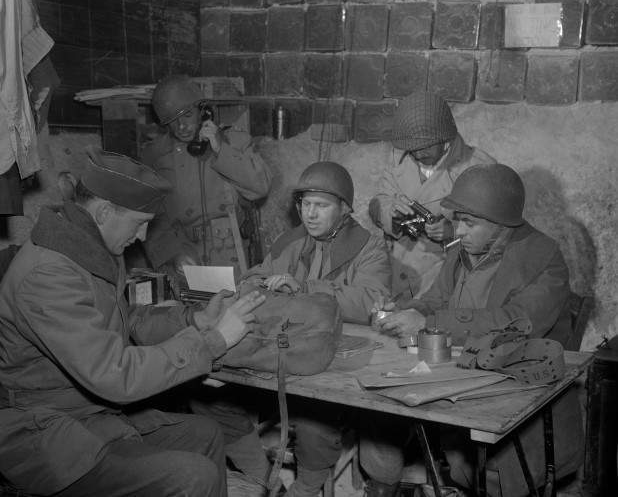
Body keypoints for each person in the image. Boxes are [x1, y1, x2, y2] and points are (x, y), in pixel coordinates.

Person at [0, 149, 266, 497]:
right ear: (103, 212)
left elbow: (128, 320)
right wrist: (213, 342)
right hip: (43, 435)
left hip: (89, 416)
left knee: (206, 433)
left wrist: (195, 318)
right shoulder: (50, 274)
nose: (144, 236)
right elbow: (114, 373)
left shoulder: (91, 248)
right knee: (194, 476)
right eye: (139, 222)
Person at [363, 163, 582, 497]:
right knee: (379, 416)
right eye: (457, 220)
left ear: (500, 224)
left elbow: (519, 321)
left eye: (469, 222)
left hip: (518, 382)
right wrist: (409, 310)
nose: (459, 230)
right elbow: (436, 299)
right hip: (461, 369)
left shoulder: (544, 258)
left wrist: (432, 322)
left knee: (492, 471)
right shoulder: (462, 250)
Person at [242, 161, 392, 496]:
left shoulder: (369, 245)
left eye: (321, 206)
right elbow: (251, 278)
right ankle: (259, 471)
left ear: (344, 209)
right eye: (305, 205)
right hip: (288, 349)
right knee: (219, 392)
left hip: (338, 358)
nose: (310, 214)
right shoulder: (290, 241)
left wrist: (307, 288)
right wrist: (265, 284)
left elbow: (371, 299)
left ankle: (309, 480)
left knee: (314, 415)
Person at [140, 74, 272, 287]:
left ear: (203, 111)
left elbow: (260, 187)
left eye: (187, 115)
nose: (181, 126)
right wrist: (171, 253)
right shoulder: (155, 157)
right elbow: (151, 218)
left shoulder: (235, 143)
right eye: (172, 121)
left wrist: (221, 148)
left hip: (230, 252)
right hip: (184, 253)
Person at [368, 91, 495, 302]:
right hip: (397, 269)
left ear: (445, 137)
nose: (417, 154)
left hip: (446, 277)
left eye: (425, 147)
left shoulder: (479, 169)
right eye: (412, 149)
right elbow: (378, 202)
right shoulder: (398, 159)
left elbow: (496, 233)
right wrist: (389, 212)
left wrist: (452, 230)